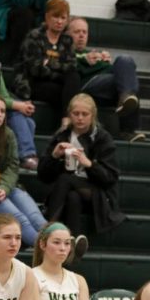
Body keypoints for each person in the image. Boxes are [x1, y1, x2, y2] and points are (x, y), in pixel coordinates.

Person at [37, 93, 125, 242]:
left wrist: (89, 164)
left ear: (92, 116)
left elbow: (110, 179)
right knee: (73, 198)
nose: (80, 118)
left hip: (97, 194)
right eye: (76, 113)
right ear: (69, 114)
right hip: (68, 193)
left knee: (66, 179)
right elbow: (43, 176)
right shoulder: (62, 136)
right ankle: (74, 242)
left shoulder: (102, 138)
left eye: (85, 114)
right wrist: (54, 156)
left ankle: (47, 232)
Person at [0, 94, 46, 247]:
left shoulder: (8, 134)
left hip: (7, 186)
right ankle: (51, 251)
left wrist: (5, 187)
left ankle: (65, 244)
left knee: (36, 218)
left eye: (2, 110)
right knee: (19, 219)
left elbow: (12, 166)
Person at [0, 16, 39, 169]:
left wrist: (18, 105)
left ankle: (16, 161)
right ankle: (26, 156)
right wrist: (18, 105)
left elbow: (3, 95)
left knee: (28, 121)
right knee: (15, 113)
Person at [66, 17, 143, 143]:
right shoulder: (66, 52)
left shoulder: (92, 53)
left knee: (125, 60)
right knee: (130, 81)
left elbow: (111, 70)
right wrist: (83, 60)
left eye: (84, 32)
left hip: (105, 84)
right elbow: (65, 68)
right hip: (87, 85)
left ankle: (124, 97)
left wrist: (104, 61)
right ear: (68, 34)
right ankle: (128, 130)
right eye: (77, 32)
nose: (81, 36)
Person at [12, 0, 81, 115]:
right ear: (47, 17)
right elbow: (35, 69)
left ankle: (67, 119)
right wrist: (60, 72)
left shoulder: (67, 40)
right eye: (56, 16)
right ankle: (67, 119)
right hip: (32, 83)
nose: (59, 21)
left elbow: (72, 66)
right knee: (65, 92)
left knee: (73, 78)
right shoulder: (34, 36)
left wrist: (49, 63)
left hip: (57, 82)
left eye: (63, 18)